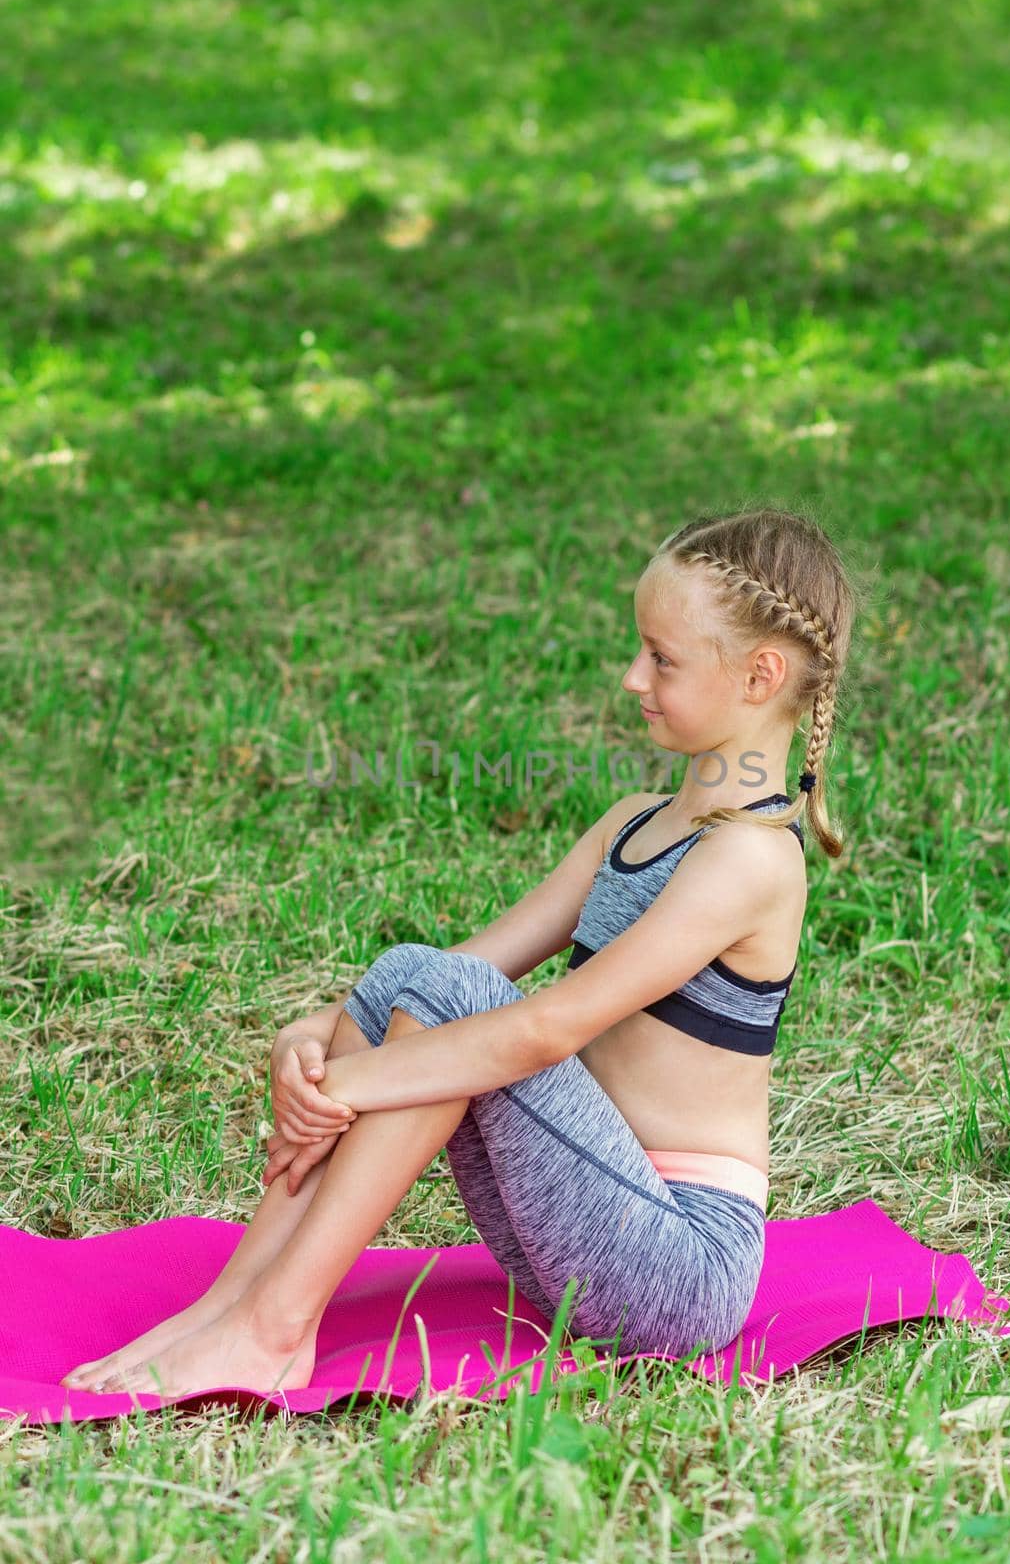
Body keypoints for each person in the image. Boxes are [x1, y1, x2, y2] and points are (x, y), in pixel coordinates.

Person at [61, 505, 859, 1400]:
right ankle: (234, 1303)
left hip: (675, 1266)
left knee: (460, 994)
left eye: (662, 658)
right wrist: (311, 1039)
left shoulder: (750, 858)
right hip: (570, 1210)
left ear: (761, 676)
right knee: (417, 970)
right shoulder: (631, 825)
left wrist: (346, 1089)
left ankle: (272, 1330)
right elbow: (455, 970)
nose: (632, 676)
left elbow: (544, 1029)